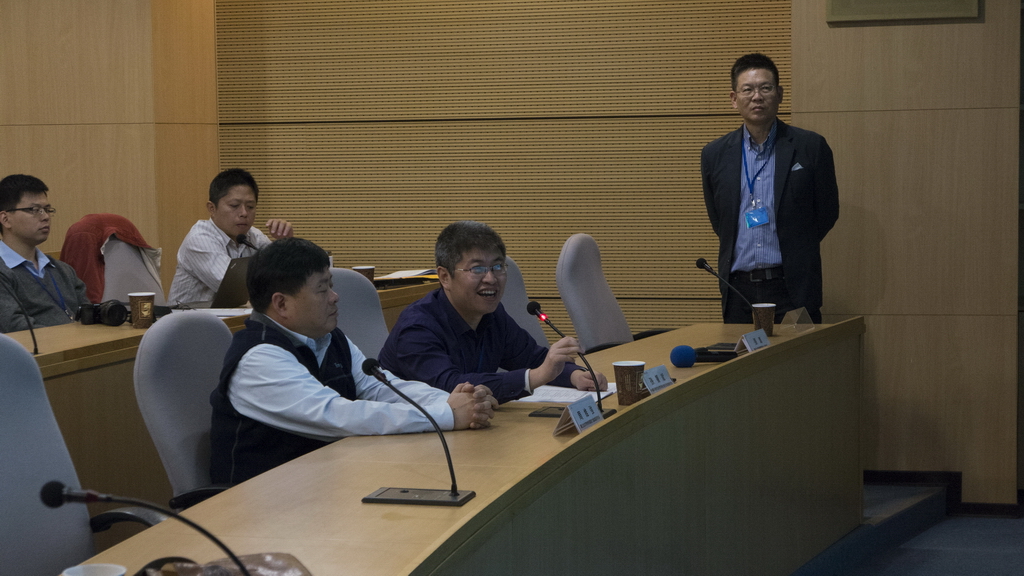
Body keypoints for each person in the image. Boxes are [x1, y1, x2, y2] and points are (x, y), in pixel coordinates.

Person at [209, 237, 496, 485]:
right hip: (260, 506)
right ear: (281, 303)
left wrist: (456, 400)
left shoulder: (329, 338)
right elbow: (337, 416)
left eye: (331, 286)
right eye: (322, 289)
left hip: (324, 484)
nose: (335, 297)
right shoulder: (258, 358)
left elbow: (382, 388)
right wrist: (446, 415)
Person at [379, 220, 607, 405]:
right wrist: (537, 376)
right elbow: (451, 387)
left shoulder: (492, 315)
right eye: (477, 268)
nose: (491, 278)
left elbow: (533, 357)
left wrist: (574, 375)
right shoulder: (417, 328)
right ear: (445, 277)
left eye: (498, 267)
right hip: (409, 438)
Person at [701, 53, 839, 324]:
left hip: (793, 287)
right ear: (734, 99)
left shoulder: (810, 147)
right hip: (738, 291)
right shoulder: (714, 154)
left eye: (765, 88)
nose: (757, 97)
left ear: (779, 94)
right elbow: (720, 220)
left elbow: (827, 212)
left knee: (799, 353)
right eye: (748, 90)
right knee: (743, 353)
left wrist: (796, 246)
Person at [168, 168, 295, 305]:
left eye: (250, 207)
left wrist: (285, 244)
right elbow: (236, 290)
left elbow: (290, 277)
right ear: (212, 208)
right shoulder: (199, 239)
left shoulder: (253, 236)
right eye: (234, 206)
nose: (244, 213)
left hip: (232, 315)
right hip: (189, 317)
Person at [0, 174, 91, 333]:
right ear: (6, 219)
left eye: (47, 210)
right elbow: (16, 327)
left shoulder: (63, 270)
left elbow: (88, 315)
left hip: (79, 345)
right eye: (35, 210)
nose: (46, 217)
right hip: (38, 348)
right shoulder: (3, 272)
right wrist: (71, 338)